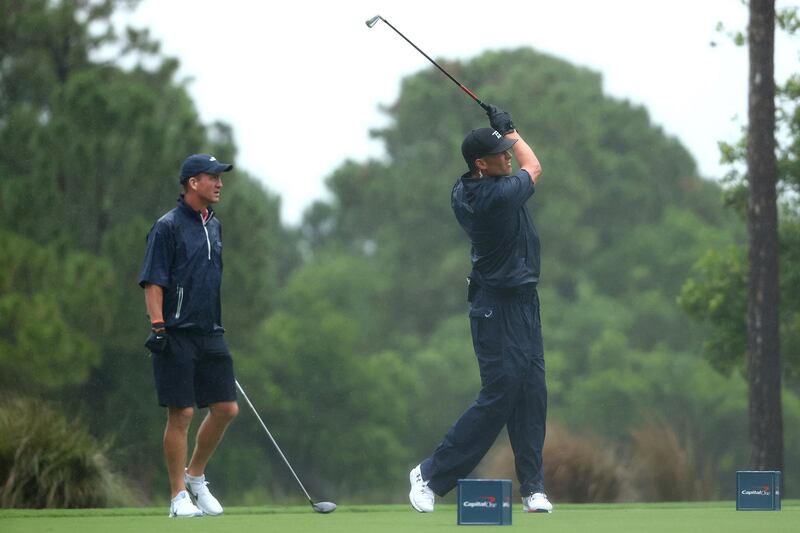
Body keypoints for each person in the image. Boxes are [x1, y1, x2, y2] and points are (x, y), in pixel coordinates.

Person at [408, 105, 553, 513]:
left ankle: (533, 487)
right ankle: (431, 474)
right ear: (480, 164)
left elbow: (518, 162)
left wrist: (500, 133)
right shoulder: (493, 195)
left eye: (508, 149)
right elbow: (535, 165)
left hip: (524, 302)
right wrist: (508, 126)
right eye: (501, 153)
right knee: (501, 393)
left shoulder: (471, 184)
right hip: (497, 305)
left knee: (532, 392)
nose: (509, 156)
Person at [139, 154, 239, 518]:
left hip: (210, 331)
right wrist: (158, 326)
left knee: (226, 409)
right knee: (181, 413)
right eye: (212, 177)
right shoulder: (167, 227)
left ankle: (195, 475)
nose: (219, 183)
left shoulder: (214, 225)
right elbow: (153, 281)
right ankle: (178, 496)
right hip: (175, 333)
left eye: (219, 177)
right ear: (192, 183)